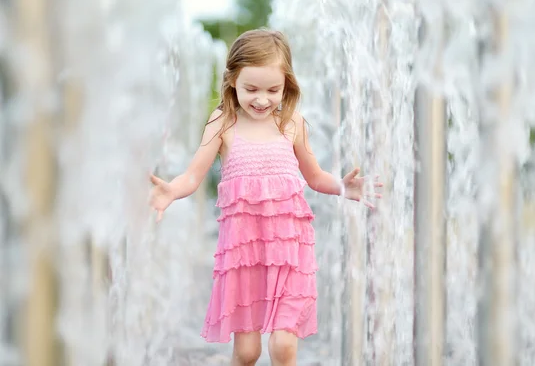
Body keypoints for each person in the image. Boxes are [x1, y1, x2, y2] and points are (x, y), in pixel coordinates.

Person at [149, 29, 381, 366]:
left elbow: (314, 176)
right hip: (244, 254)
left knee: (284, 346)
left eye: (273, 90)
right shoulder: (223, 123)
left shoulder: (292, 124)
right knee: (247, 353)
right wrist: (172, 189)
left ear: (287, 84)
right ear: (232, 83)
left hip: (290, 251)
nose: (261, 99)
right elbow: (193, 175)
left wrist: (342, 186)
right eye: (251, 89)